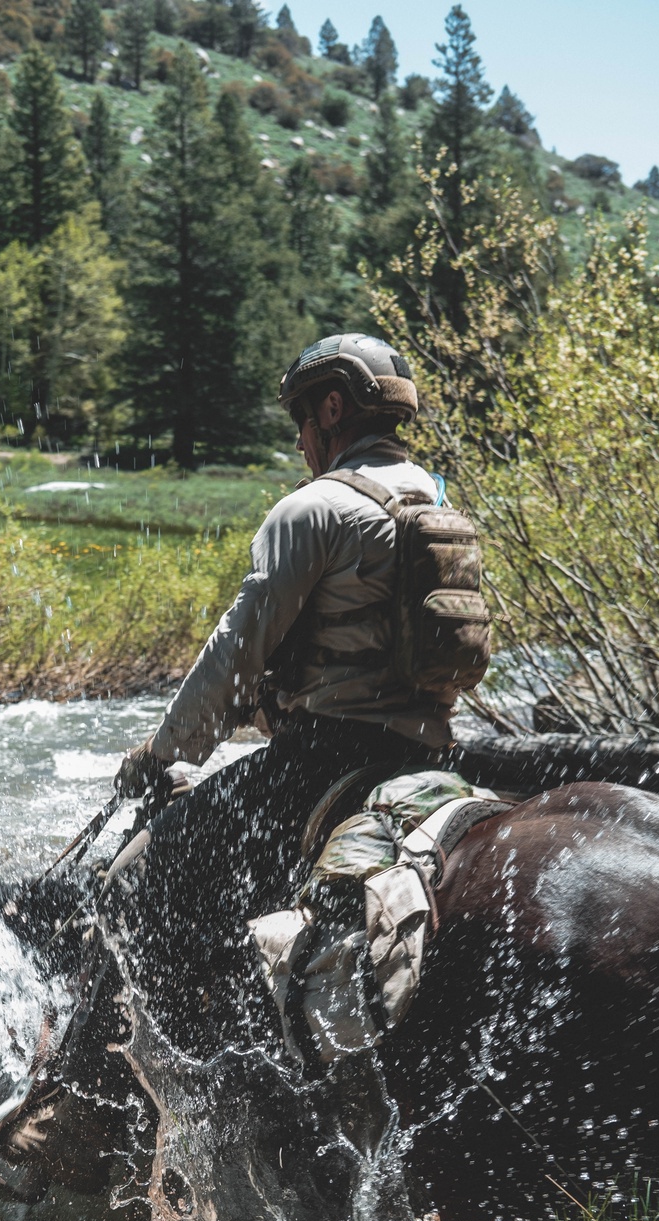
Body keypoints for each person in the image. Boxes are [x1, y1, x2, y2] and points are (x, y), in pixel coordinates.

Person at [110, 333, 463, 1002]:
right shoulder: (440, 508)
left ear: (332, 410)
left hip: (323, 764)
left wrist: (163, 754)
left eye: (302, 422)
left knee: (133, 879)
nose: (302, 444)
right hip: (430, 761)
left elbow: (235, 655)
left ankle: (157, 1068)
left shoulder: (314, 509)